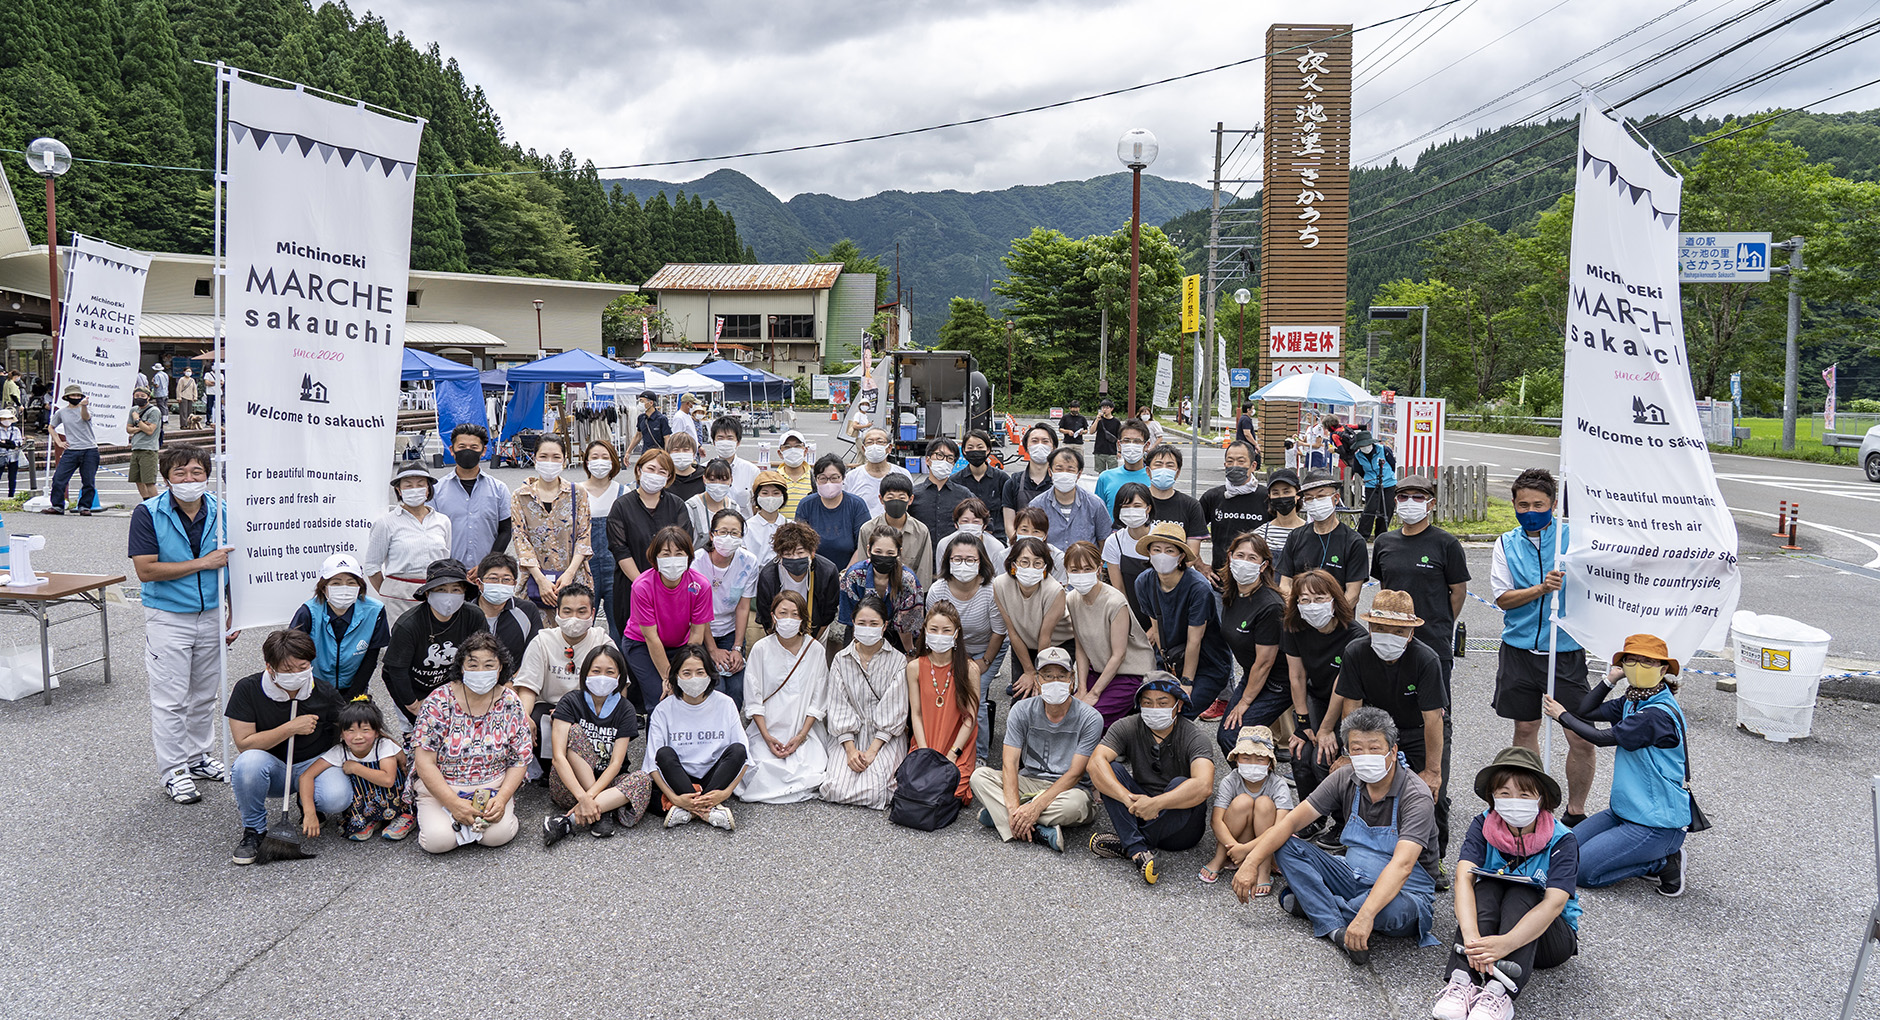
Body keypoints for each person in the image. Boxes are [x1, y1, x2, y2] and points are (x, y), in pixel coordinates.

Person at [1234, 707, 1443, 963]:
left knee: (1390, 911)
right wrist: (1251, 862)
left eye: (1374, 748)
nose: (1365, 755)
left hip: (1405, 891)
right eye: (1356, 749)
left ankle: (1317, 904)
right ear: (1348, 752)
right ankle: (1336, 929)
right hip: (1350, 875)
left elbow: (1403, 866)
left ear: (1393, 751)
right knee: (1286, 845)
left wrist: (1366, 915)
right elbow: (1289, 823)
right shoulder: (1345, 777)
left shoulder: (1415, 796)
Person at [1431, 746, 1583, 1020]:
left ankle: (1499, 992)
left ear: (1541, 799)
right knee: (1485, 885)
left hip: (1549, 938)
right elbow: (1462, 879)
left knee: (1522, 890)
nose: (1514, 800)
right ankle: (1462, 979)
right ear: (1492, 797)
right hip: (1492, 932)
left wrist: (1506, 943)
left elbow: (1555, 904)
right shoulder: (1483, 824)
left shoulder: (1563, 839)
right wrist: (1471, 938)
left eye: (1524, 794)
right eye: (1504, 793)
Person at [1542, 633, 1692, 897]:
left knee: (1581, 872)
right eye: (1632, 661)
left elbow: (1600, 738)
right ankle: (1641, 854)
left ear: (1664, 669)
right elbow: (1586, 711)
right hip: (1624, 811)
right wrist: (1610, 679)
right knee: (1562, 849)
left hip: (1654, 823)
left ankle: (1663, 861)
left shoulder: (1655, 714)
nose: (1638, 667)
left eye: (1647, 662)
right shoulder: (1634, 699)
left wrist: (1560, 715)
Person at [1320, 589, 1448, 881]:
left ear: (1411, 634)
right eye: (1380, 628)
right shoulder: (1356, 651)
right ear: (1369, 628)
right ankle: (1351, 837)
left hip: (1418, 728)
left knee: (1433, 793)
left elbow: (1433, 721)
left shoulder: (1426, 659)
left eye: (1398, 631)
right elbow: (1351, 710)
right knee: (1355, 778)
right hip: (1373, 727)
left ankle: (1434, 858)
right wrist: (1348, 754)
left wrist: (1433, 770)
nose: (1388, 635)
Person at [1492, 468, 1595, 825]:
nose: (1530, 510)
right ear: (1514, 505)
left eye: (1539, 504)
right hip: (1519, 651)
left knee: (1580, 736)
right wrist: (1540, 588)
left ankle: (1576, 812)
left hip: (1564, 651)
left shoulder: (1575, 539)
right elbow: (1503, 599)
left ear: (1553, 505)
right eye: (1523, 504)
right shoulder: (1505, 543)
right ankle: (1526, 805)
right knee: (1524, 730)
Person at [129, 445, 232, 804]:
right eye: (180, 474)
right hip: (169, 617)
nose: (189, 480)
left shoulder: (222, 511)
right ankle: (173, 770)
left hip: (212, 614)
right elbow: (146, 569)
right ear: (166, 478)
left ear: (207, 475)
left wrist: (233, 612)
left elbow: (234, 566)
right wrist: (203, 563)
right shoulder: (148, 513)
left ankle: (198, 757)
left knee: (205, 695)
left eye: (196, 473)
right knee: (170, 699)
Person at [225, 629, 351, 865]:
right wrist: (289, 728)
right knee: (247, 764)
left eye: (303, 667)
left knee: (337, 797)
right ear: (269, 667)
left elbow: (349, 728)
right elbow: (244, 744)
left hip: (313, 765)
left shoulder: (323, 691)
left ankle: (307, 802)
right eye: (287, 670)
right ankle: (254, 830)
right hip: (272, 769)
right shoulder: (248, 689)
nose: (297, 674)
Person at [409, 631, 531, 853]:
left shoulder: (511, 701)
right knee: (438, 842)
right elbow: (424, 761)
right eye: (472, 665)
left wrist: (503, 798)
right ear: (461, 667)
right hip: (444, 786)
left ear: (500, 667)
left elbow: (520, 758)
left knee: (497, 836)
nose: (480, 672)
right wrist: (453, 803)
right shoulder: (439, 700)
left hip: (492, 787)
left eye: (489, 665)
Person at [1087, 674, 1215, 884]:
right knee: (1111, 768)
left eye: (1162, 702)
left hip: (1181, 828)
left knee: (1181, 784)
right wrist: (1126, 798)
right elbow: (1095, 763)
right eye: (1148, 702)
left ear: (1178, 705)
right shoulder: (1126, 726)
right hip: (1138, 808)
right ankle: (1138, 851)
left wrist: (1157, 804)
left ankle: (1130, 844)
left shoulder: (1195, 736)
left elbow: (1204, 785)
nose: (1155, 708)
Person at [969, 646, 1101, 849]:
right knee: (979, 777)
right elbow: (1010, 763)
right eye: (1048, 676)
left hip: (1069, 790)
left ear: (1072, 679)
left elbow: (1075, 774)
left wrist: (1035, 807)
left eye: (1061, 676)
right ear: (1037, 680)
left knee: (1077, 806)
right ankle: (1036, 829)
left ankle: (1002, 817)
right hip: (1030, 780)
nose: (1054, 682)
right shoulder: (1021, 710)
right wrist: (1015, 807)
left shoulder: (1090, 718)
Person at [541, 645, 653, 845]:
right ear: (585, 674)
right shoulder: (570, 701)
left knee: (643, 780)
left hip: (609, 785)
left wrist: (589, 797)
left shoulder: (625, 709)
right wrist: (581, 796)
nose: (602, 676)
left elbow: (616, 763)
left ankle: (568, 821)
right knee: (574, 732)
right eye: (596, 671)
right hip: (570, 787)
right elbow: (558, 757)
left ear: (619, 677)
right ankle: (603, 812)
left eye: (610, 672)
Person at [1281, 569, 1368, 803]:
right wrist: (1303, 722)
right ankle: (1309, 815)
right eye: (1304, 600)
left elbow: (1342, 688)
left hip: (1347, 703)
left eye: (1319, 599)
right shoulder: (1294, 628)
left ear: (1334, 600)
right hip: (1317, 697)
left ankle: (1340, 821)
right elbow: (1297, 677)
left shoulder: (1355, 636)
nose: (1312, 606)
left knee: (1324, 757)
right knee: (1299, 754)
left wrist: (1326, 730)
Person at [1133, 523, 1235, 719]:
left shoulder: (1198, 588)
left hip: (1207, 664)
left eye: (1169, 550)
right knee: (1147, 710)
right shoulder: (1143, 582)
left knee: (1180, 712)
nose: (1162, 555)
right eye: (1156, 549)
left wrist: (1186, 683)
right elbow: (1156, 628)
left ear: (1181, 556)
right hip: (1172, 661)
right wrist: (1166, 671)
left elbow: (1194, 641)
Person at [738, 591, 832, 803]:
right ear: (773, 616)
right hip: (768, 728)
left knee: (811, 768)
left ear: (802, 619)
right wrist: (766, 737)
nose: (788, 619)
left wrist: (800, 736)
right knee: (760, 768)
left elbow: (818, 700)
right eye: (783, 613)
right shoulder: (761, 649)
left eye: (795, 614)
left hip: (803, 728)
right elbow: (753, 699)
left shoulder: (814, 649)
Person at [513, 582, 616, 772]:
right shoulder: (542, 641)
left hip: (590, 706)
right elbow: (528, 686)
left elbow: (617, 687)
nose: (574, 618)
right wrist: (524, 716)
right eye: (567, 611)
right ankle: (549, 771)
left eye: (581, 611)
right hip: (549, 706)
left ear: (592, 613)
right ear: (558, 611)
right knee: (537, 719)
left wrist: (574, 710)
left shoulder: (601, 640)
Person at [821, 597, 912, 808]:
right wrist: (851, 750)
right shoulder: (841, 659)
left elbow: (895, 709)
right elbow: (838, 706)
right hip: (848, 736)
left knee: (875, 791)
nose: (867, 628)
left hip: (885, 736)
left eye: (874, 624)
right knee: (834, 788)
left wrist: (872, 752)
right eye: (862, 623)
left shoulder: (897, 660)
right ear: (853, 623)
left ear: (884, 625)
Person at [648, 645, 749, 830]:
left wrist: (725, 794)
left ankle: (689, 810)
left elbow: (746, 757)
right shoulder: (663, 709)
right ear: (676, 676)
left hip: (714, 777)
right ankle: (708, 811)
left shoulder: (725, 704)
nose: (694, 678)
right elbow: (651, 764)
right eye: (686, 673)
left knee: (738, 750)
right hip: (680, 778)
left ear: (710, 674)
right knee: (664, 754)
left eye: (700, 672)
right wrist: (675, 798)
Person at [927, 533, 1006, 760]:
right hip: (951, 649)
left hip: (987, 649)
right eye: (957, 559)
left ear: (981, 562)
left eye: (970, 559)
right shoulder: (938, 590)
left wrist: (985, 662)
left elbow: (999, 632)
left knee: (974, 694)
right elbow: (934, 629)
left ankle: (978, 756)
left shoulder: (991, 590)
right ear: (948, 561)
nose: (964, 564)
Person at [382, 559, 490, 725]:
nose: (448, 596)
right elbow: (397, 671)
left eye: (455, 590)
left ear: (464, 592)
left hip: (451, 684)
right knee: (420, 729)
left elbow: (483, 653)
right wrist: (414, 706)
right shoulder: (409, 625)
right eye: (441, 589)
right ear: (428, 593)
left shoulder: (474, 616)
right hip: (410, 686)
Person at [622, 526, 713, 713]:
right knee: (660, 696)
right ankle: (657, 742)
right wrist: (669, 677)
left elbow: (697, 633)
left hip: (683, 644)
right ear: (654, 557)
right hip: (642, 645)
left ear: (689, 556)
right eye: (665, 554)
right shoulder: (642, 586)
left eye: (679, 553)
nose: (673, 560)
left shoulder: (700, 585)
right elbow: (651, 638)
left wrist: (684, 668)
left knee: (691, 692)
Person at [1061, 541, 1152, 726]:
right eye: (1075, 570)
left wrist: (1094, 693)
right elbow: (1080, 648)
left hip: (1128, 673)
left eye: (1087, 568)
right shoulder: (1072, 599)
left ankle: (1101, 754)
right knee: (1068, 714)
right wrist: (1082, 688)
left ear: (1098, 569)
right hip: (1098, 670)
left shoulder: (1115, 602)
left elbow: (1119, 655)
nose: (1081, 575)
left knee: (1093, 720)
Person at [297, 696, 412, 843]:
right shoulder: (341, 751)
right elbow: (306, 776)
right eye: (350, 731)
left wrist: (355, 767)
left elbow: (388, 780)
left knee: (402, 801)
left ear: (377, 732)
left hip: (394, 798)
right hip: (366, 803)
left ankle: (405, 816)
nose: (358, 737)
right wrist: (309, 812)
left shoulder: (383, 746)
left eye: (365, 730)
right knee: (355, 831)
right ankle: (372, 817)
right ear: (342, 734)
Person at [606, 448, 691, 640]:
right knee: (636, 642)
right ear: (639, 470)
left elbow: (684, 545)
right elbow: (620, 550)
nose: (655, 475)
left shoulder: (677, 505)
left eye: (662, 472)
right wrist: (644, 586)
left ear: (669, 477)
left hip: (671, 587)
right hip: (632, 587)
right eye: (651, 469)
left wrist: (663, 587)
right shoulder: (621, 506)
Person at [1214, 533, 1288, 749]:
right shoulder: (1232, 594)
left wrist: (1244, 702)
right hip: (1252, 674)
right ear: (1230, 557)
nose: (1244, 562)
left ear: (1263, 565)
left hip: (1278, 682)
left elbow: (1265, 662)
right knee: (1226, 735)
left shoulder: (1270, 605)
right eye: (1240, 555)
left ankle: (1262, 781)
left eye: (1252, 558)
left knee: (1232, 737)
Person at [1199, 725, 1294, 889]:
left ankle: (1263, 869)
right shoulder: (1231, 780)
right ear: (1236, 760)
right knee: (1242, 801)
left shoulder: (1278, 785)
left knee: (1264, 803)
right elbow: (1216, 821)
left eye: (1260, 759)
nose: (1252, 763)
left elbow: (1281, 827)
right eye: (1246, 758)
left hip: (1266, 845)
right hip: (1235, 841)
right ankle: (1220, 858)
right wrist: (1235, 848)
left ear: (1270, 764)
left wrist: (1246, 849)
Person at [907, 602, 981, 802]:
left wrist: (953, 754)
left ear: (956, 634)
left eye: (946, 630)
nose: (940, 635)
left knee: (951, 792)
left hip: (957, 747)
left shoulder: (970, 669)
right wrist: (924, 752)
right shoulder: (914, 667)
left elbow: (970, 718)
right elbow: (916, 714)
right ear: (925, 631)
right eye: (934, 629)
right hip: (926, 742)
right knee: (918, 790)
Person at [288, 553, 389, 697]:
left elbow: (371, 658)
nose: (344, 588)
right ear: (323, 588)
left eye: (351, 582)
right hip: (314, 687)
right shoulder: (308, 612)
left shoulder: (375, 611)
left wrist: (352, 696)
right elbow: (295, 655)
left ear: (359, 587)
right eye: (336, 583)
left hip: (354, 686)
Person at [510, 435, 592, 611]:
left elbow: (584, 537)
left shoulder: (577, 493)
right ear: (534, 458)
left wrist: (569, 574)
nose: (550, 461)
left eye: (556, 457)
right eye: (543, 456)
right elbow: (520, 540)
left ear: (564, 460)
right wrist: (541, 580)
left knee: (572, 627)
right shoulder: (520, 496)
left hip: (573, 578)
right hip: (534, 581)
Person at [364, 464, 452, 620]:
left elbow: (445, 559)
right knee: (402, 640)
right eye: (408, 485)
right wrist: (391, 592)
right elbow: (372, 567)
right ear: (399, 490)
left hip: (435, 593)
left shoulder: (443, 521)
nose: (414, 489)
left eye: (420, 484)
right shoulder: (386, 523)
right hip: (398, 599)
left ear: (428, 489)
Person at [992, 537, 1073, 702]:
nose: (1031, 567)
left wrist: (1038, 673)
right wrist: (1029, 671)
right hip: (1022, 641)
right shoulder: (1000, 584)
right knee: (1021, 694)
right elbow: (1012, 631)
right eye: (1024, 562)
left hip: (1057, 643)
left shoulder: (1054, 590)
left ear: (1045, 567)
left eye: (1037, 563)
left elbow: (1045, 637)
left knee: (1048, 692)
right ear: (1013, 564)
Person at [693, 508, 759, 704]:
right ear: (712, 534)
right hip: (701, 630)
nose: (728, 537)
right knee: (716, 687)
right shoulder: (697, 562)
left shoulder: (748, 562)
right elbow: (697, 611)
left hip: (731, 631)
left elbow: (743, 606)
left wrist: (737, 647)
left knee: (737, 689)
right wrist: (712, 650)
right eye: (722, 532)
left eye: (734, 533)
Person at [1276, 469, 1368, 604]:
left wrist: (1330, 618)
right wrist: (1298, 612)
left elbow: (1352, 594)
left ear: (1335, 499)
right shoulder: (1295, 537)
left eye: (1321, 496)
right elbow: (1285, 584)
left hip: (1338, 620)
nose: (1315, 501)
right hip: (1300, 618)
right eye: (1309, 498)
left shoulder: (1353, 542)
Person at [432, 423, 513, 569]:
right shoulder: (436, 490)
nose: (468, 451)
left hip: (486, 572)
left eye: (474, 447)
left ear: (483, 451)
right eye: (462, 447)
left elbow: (506, 531)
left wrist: (487, 564)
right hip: (447, 572)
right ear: (452, 450)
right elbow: (432, 532)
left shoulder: (499, 489)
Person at [753, 521, 841, 641]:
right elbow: (765, 613)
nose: (795, 558)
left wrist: (812, 643)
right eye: (788, 554)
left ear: (812, 552)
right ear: (779, 556)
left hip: (816, 630)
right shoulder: (768, 575)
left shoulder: (827, 571)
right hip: (778, 632)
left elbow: (828, 612)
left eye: (800, 553)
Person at [839, 526, 924, 651]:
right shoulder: (854, 576)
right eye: (878, 552)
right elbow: (851, 620)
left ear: (898, 553)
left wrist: (909, 653)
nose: (883, 557)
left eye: (890, 553)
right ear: (869, 550)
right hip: (860, 631)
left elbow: (906, 626)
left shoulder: (907, 580)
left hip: (897, 637)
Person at [575, 439, 629, 633]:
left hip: (616, 567)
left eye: (605, 457)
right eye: (594, 457)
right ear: (586, 462)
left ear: (614, 461)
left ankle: (620, 662)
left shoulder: (623, 492)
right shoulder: (575, 491)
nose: (600, 462)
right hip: (584, 566)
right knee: (582, 622)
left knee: (619, 624)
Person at [1200, 441, 1269, 577]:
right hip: (1220, 583)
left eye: (1241, 461)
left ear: (1253, 465)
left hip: (1258, 582)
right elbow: (1190, 531)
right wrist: (1199, 565)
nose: (1235, 466)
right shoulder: (1213, 497)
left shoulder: (1267, 497)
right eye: (1230, 462)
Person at [794, 454, 871, 569]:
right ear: (816, 480)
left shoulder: (856, 505)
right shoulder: (806, 505)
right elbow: (800, 543)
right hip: (813, 571)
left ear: (843, 478)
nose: (828, 483)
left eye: (834, 478)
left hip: (849, 572)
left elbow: (863, 544)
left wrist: (846, 573)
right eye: (823, 478)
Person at [856, 472, 932, 587]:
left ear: (910, 500)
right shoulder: (867, 529)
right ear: (881, 499)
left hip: (909, 594)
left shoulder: (921, 531)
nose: (896, 502)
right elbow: (862, 568)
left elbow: (923, 572)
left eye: (902, 498)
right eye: (890, 497)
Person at [1026, 446, 1107, 551]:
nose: (1064, 474)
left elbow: (1104, 542)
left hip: (1084, 566)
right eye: (1059, 469)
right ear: (1050, 472)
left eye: (1070, 469)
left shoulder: (1095, 504)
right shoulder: (1037, 505)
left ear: (1079, 474)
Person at [468, 552, 541, 667]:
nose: (499, 584)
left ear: (514, 584)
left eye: (506, 579)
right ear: (479, 583)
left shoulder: (527, 611)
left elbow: (534, 656)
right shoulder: (466, 612)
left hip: (514, 682)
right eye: (493, 578)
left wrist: (512, 682)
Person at [1143, 444, 1208, 570]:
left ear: (1177, 472)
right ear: (1148, 471)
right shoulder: (1136, 502)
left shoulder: (1191, 506)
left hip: (1177, 577)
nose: (1163, 469)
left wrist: (1170, 574)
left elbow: (1192, 553)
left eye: (1170, 465)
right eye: (1158, 464)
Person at [1102, 482, 1155, 624]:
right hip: (1131, 614)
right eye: (1125, 507)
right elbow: (1119, 589)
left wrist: (1154, 627)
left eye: (1137, 506)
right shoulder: (1114, 542)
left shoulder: (1160, 537)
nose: (1131, 511)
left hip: (1162, 614)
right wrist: (1130, 622)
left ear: (1148, 508)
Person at [44, 383, 99, 515]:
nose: (76, 397)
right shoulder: (61, 412)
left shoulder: (87, 409)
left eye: (78, 395)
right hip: (71, 449)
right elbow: (51, 427)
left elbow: (86, 417)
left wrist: (84, 405)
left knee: (88, 481)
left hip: (89, 449)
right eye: (73, 395)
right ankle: (57, 505)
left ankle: (84, 506)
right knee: (59, 478)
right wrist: (58, 441)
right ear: (67, 397)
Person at [946, 428, 1007, 541]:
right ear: (963, 451)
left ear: (988, 450)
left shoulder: (1002, 479)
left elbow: (1009, 511)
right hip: (965, 539)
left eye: (980, 447)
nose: (975, 451)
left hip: (997, 538)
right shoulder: (955, 480)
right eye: (970, 447)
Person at [909, 436, 971, 540]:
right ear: (928, 460)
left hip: (953, 554)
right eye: (939, 455)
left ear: (953, 464)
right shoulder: (913, 494)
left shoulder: (964, 495)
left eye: (950, 458)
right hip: (921, 553)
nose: (944, 461)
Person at [843, 424, 911, 516]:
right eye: (870, 442)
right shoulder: (852, 477)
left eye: (880, 442)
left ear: (889, 448)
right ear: (863, 448)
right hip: (863, 529)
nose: (874, 446)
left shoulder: (903, 474)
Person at [1001, 423, 1056, 535]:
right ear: (1026, 447)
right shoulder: (1012, 483)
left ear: (1054, 448)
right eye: (1034, 441)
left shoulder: (1059, 482)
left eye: (1045, 441)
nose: (1040, 445)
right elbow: (1009, 525)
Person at [934, 497, 1007, 576]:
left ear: (984, 525)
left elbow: (999, 579)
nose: (970, 526)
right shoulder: (944, 544)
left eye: (976, 522)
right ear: (956, 524)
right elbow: (942, 575)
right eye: (965, 521)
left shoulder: (996, 547)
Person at [1094, 418, 1152, 513]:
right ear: (1119, 444)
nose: (1131, 445)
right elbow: (1098, 514)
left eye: (1137, 441)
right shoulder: (1105, 477)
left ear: (1146, 445)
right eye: (1126, 440)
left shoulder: (1153, 478)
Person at [1349, 430, 1398, 540]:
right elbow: (1359, 471)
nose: (1365, 447)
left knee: (1387, 509)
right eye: (1362, 445)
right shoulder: (1358, 456)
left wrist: (1386, 476)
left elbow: (1392, 464)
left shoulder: (1384, 450)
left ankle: (1380, 536)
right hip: (1371, 484)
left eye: (1366, 445)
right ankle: (1362, 536)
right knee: (1369, 510)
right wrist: (1369, 478)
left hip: (1388, 484)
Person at [684, 456, 746, 541]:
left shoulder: (734, 507)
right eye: (712, 480)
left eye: (723, 480)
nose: (718, 485)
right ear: (704, 479)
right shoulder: (692, 506)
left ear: (731, 480)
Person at [744, 469, 790, 568]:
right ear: (756, 497)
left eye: (776, 493)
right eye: (765, 493)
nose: (770, 497)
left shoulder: (790, 526)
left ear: (783, 497)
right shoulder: (747, 527)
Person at [1256, 467, 1304, 558]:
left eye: (1286, 492)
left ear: (1298, 494)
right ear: (1269, 496)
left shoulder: (1310, 532)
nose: (1281, 496)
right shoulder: (1260, 534)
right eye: (1276, 493)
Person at [708, 415, 761, 496]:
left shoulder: (751, 471)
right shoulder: (705, 469)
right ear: (714, 442)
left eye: (730, 438)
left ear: (738, 442)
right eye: (720, 438)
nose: (725, 442)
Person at [1010, 505, 1067, 580]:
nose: (1029, 535)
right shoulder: (1004, 556)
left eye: (1036, 531)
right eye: (1024, 530)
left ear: (1045, 535)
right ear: (1016, 531)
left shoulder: (1058, 558)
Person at [126, 387, 162, 500]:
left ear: (148, 397)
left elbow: (150, 430)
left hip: (148, 449)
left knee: (149, 481)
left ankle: (156, 506)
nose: (139, 399)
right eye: (137, 396)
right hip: (136, 448)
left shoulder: (154, 411)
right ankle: (146, 502)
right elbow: (128, 429)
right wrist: (141, 426)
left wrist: (137, 421)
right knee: (138, 479)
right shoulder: (134, 410)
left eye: (142, 396)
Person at [773, 429, 815, 515]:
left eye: (797, 446)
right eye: (787, 447)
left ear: (805, 450)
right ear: (780, 453)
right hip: (781, 528)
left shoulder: (815, 478)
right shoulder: (773, 478)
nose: (793, 450)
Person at [664, 432, 706, 503]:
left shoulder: (704, 477)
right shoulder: (664, 478)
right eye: (676, 450)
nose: (681, 453)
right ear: (669, 453)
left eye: (686, 450)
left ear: (694, 453)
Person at [633, 391, 671, 455]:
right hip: (645, 454)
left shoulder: (661, 419)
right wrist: (628, 452)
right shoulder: (641, 418)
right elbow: (638, 435)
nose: (640, 404)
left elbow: (667, 438)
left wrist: (666, 454)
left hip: (658, 455)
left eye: (642, 401)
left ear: (651, 403)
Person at [1092, 397, 1122, 474]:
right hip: (1099, 450)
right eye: (1103, 407)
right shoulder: (1098, 419)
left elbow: (1119, 437)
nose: (1104, 409)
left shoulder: (1116, 422)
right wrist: (1097, 420)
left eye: (1107, 407)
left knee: (1113, 472)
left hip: (1111, 451)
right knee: (1100, 473)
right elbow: (1091, 431)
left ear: (1111, 409)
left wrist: (1119, 451)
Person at [1234, 400, 1261, 465]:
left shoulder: (1243, 418)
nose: (1253, 411)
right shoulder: (1246, 419)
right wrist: (1255, 444)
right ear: (1248, 410)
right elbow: (1247, 433)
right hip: (1245, 446)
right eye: (1253, 409)